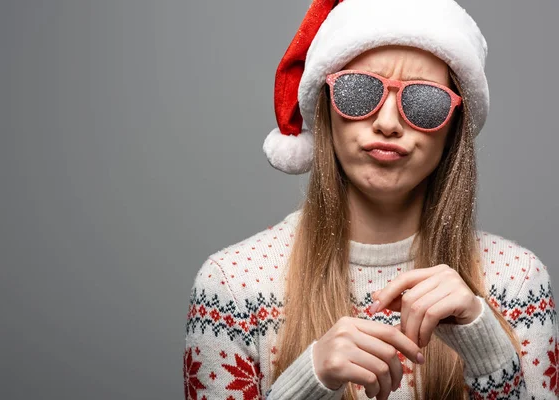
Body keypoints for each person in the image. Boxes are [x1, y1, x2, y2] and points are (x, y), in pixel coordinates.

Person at [183, 0, 559, 398]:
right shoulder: (232, 285)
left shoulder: (516, 282)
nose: (387, 123)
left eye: (425, 101)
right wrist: (308, 382)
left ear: (455, 127)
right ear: (326, 107)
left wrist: (488, 350)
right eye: (359, 91)